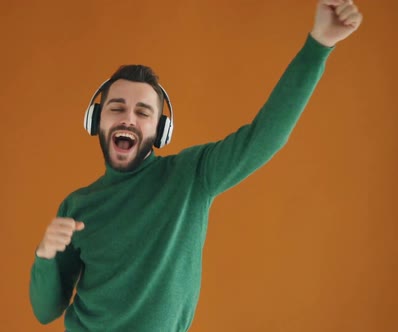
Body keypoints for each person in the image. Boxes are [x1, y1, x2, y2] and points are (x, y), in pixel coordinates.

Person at [29, 1, 363, 331]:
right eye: (117, 108)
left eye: (143, 112)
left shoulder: (190, 176)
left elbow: (265, 137)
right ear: (96, 120)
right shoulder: (77, 206)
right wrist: (45, 255)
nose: (128, 118)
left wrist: (319, 44)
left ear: (160, 130)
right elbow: (46, 312)